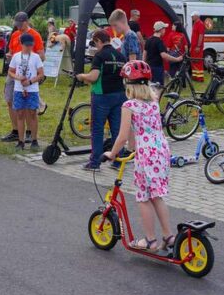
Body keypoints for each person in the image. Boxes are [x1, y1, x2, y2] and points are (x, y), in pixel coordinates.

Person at [101, 60, 174, 252]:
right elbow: (138, 131)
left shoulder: (129, 105)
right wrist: (132, 147)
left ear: (128, 84)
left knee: (143, 197)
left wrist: (112, 153)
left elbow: (123, 135)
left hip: (147, 154)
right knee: (157, 196)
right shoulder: (154, 102)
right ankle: (169, 236)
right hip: (161, 151)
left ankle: (150, 241)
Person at [77, 30, 127, 171]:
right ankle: (118, 161)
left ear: (99, 40)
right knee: (117, 129)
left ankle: (95, 163)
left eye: (95, 43)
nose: (95, 46)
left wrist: (81, 76)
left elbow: (93, 77)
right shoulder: (121, 56)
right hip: (119, 95)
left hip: (102, 96)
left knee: (98, 129)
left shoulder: (99, 56)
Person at [1, 12, 45, 142]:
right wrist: (10, 55)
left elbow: (42, 56)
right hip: (15, 71)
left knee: (28, 105)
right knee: (10, 100)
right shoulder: (15, 35)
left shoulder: (35, 35)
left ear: (26, 21)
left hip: (28, 74)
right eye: (17, 24)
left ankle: (30, 132)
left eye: (20, 24)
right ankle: (16, 131)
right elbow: (11, 51)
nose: (18, 27)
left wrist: (29, 58)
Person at [7, 32, 44, 150]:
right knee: (20, 114)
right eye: (27, 45)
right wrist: (18, 77)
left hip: (32, 90)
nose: (29, 48)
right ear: (21, 44)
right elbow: (10, 71)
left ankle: (34, 140)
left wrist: (31, 81)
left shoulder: (36, 57)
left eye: (31, 45)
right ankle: (20, 141)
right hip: (18, 89)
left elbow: (41, 74)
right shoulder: (16, 56)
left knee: (32, 113)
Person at [143, 21, 182, 90]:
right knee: (158, 89)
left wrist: (144, 65)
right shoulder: (159, 41)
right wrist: (177, 59)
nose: (165, 31)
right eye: (164, 29)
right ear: (161, 30)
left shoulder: (148, 40)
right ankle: (156, 101)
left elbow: (144, 54)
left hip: (149, 67)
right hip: (157, 68)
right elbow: (164, 55)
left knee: (150, 87)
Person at [189, 12, 206, 82]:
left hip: (197, 47)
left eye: (193, 16)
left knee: (198, 62)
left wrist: (198, 46)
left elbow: (201, 36)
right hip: (193, 47)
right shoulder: (195, 24)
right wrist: (191, 47)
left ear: (197, 16)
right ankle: (195, 76)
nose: (191, 17)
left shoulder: (200, 24)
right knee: (193, 61)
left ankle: (199, 78)